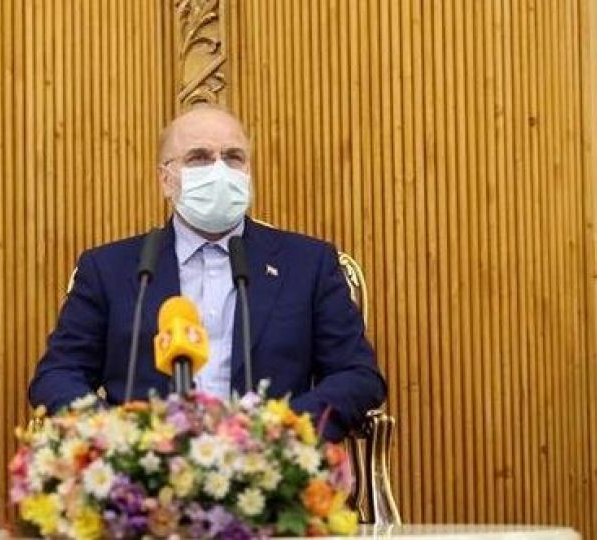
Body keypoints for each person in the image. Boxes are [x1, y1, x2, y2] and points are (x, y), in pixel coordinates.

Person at [28, 104, 386, 440]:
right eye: (199, 158)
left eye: (233, 157)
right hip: (148, 472)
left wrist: (283, 432)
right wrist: (125, 438)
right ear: (165, 179)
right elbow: (58, 376)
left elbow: (357, 376)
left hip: (270, 467)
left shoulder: (308, 264)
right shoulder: (109, 269)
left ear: (248, 173)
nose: (219, 171)